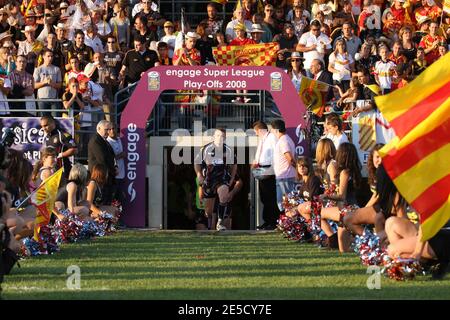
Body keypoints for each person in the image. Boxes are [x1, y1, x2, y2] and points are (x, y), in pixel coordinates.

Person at [318, 142, 362, 252]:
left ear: (342, 154)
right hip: (352, 207)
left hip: (347, 209)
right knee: (343, 249)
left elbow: (342, 196)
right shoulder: (354, 170)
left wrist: (326, 196)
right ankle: (338, 240)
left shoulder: (345, 172)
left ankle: (333, 239)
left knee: (317, 212)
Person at [194, 128, 237, 231]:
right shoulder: (205, 149)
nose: (220, 138)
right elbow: (197, 163)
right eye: (218, 136)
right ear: (213, 137)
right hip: (209, 180)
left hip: (222, 178)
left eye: (222, 136)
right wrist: (199, 174)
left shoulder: (229, 150)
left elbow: (234, 165)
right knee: (208, 212)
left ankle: (220, 222)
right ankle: (210, 222)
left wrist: (232, 179)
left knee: (223, 195)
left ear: (225, 138)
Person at [251, 121, 279, 230]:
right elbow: (260, 155)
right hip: (262, 168)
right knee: (264, 197)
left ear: (259, 130)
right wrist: (254, 164)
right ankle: (267, 221)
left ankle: (272, 222)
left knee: (270, 197)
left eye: (256, 132)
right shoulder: (263, 140)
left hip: (269, 169)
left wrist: (271, 170)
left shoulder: (272, 138)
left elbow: (275, 155)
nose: (256, 134)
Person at [40, 114, 77, 180]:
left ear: (52, 123)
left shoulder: (63, 135)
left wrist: (60, 155)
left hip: (63, 171)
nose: (43, 128)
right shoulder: (46, 136)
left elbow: (74, 149)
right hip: (52, 172)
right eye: (42, 126)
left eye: (46, 125)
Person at [87, 120, 117, 204]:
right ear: (99, 128)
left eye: (109, 129)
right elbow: (102, 159)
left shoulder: (105, 141)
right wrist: (113, 171)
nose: (109, 132)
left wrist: (116, 167)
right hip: (99, 176)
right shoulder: (95, 141)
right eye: (106, 129)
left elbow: (112, 156)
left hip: (107, 176)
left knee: (108, 200)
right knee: (100, 202)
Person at [271, 119, 297, 213]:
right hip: (284, 176)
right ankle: (287, 224)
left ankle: (287, 225)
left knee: (284, 203)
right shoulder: (286, 139)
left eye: (272, 130)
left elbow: (290, 158)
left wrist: (296, 171)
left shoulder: (283, 141)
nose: (272, 133)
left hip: (285, 176)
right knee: (285, 203)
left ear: (276, 130)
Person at [33, 48, 62, 117]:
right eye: (48, 56)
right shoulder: (38, 69)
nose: (50, 58)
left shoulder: (57, 69)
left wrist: (52, 84)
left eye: (52, 56)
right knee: (43, 119)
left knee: (55, 118)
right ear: (43, 56)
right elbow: (34, 85)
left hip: (54, 98)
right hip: (42, 98)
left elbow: (60, 85)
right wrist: (44, 82)